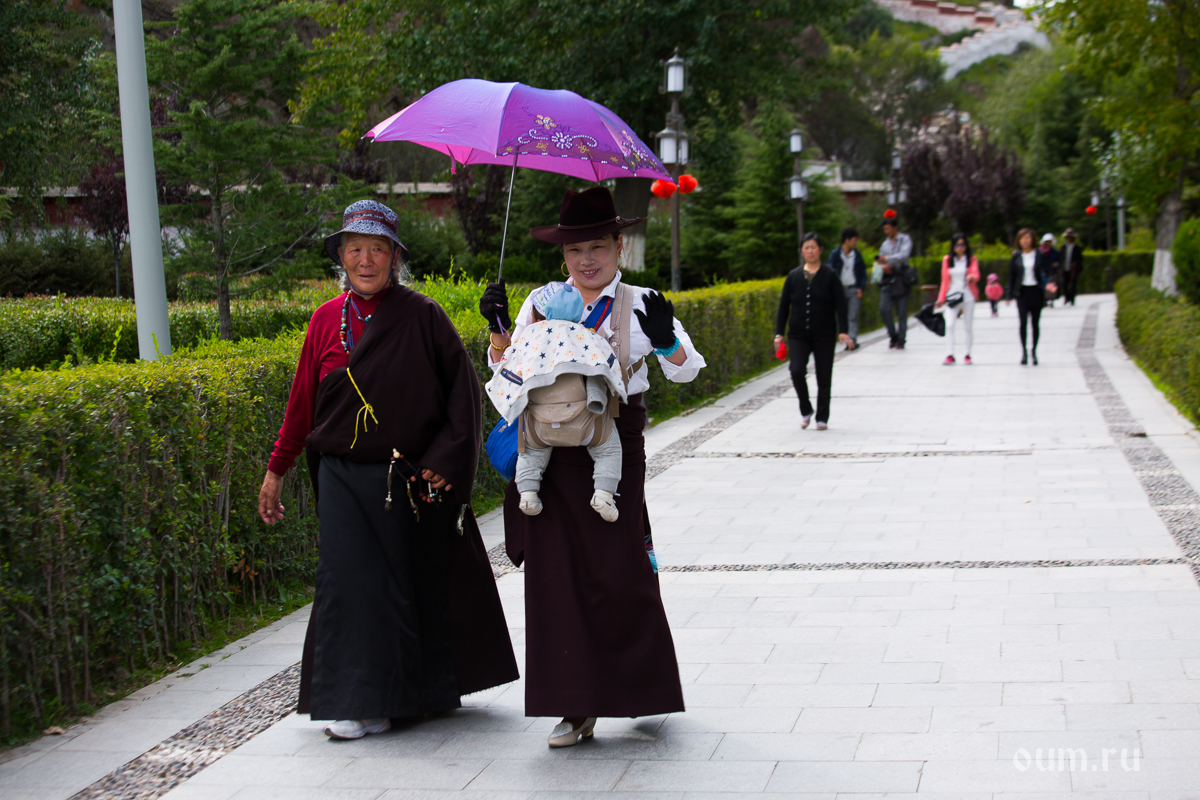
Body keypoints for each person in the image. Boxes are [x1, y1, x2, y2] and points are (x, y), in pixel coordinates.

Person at [258, 200, 518, 740]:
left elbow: (462, 392)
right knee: (349, 583)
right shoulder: (325, 321)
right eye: (354, 248)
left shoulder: (423, 315)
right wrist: (276, 468)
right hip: (341, 476)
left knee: (402, 585)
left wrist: (447, 459)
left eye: (377, 249)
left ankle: (407, 695)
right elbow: (303, 403)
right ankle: (360, 701)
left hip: (404, 480)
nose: (365, 259)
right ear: (341, 257)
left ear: (394, 257)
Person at [478, 187, 706, 748]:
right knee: (554, 576)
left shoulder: (640, 300)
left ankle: (639, 689)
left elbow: (687, 370)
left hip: (614, 449)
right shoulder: (540, 300)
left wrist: (664, 341)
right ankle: (573, 704)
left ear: (618, 246)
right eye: (576, 249)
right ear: (563, 254)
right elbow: (507, 372)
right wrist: (500, 332)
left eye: (598, 246)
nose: (587, 260)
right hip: (549, 451)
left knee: (619, 569)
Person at [484, 281, 625, 522]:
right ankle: (604, 494)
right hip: (588, 425)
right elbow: (609, 368)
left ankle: (527, 494)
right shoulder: (588, 336)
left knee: (529, 452)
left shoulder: (528, 338)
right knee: (609, 449)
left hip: (540, 426)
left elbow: (505, 369)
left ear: (536, 314)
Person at [775, 232, 853, 430]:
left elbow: (841, 305)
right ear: (802, 251)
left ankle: (822, 417)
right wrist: (779, 333)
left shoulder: (830, 275)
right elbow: (784, 306)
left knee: (824, 375)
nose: (810, 251)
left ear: (820, 250)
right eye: (806, 247)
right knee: (796, 371)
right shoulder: (793, 276)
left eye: (813, 247)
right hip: (798, 334)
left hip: (824, 334)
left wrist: (843, 330)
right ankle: (806, 409)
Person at [1007, 227, 1052, 365]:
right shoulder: (1016, 256)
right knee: (1023, 323)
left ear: (1032, 239)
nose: (1025, 240)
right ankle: (1024, 352)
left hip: (1036, 291)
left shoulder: (1039, 254)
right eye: (1022, 238)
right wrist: (1008, 294)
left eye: (1027, 237)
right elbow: (1011, 276)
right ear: (1018, 240)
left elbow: (1048, 271)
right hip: (1022, 293)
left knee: (1035, 323)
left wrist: (1050, 283)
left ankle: (1034, 351)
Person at [936, 233, 980, 365]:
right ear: (953, 246)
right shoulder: (947, 260)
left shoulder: (971, 259)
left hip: (967, 296)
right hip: (952, 296)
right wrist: (941, 298)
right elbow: (944, 281)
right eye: (957, 245)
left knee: (968, 326)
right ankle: (950, 353)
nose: (960, 247)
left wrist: (972, 277)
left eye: (962, 244)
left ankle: (967, 354)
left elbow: (976, 274)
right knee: (949, 324)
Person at [875, 215, 914, 349]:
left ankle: (901, 339)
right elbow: (880, 261)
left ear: (895, 228)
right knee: (883, 308)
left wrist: (887, 259)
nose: (886, 232)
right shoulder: (884, 244)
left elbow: (904, 255)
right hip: (887, 279)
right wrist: (883, 266)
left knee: (901, 312)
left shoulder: (904, 239)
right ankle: (892, 334)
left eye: (888, 228)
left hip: (901, 277)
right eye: (884, 229)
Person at [827, 227, 866, 350]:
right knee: (841, 316)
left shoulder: (857, 255)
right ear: (847, 240)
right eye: (854, 240)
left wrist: (861, 287)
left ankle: (851, 341)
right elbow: (830, 271)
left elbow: (863, 273)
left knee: (852, 316)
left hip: (853, 290)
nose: (855, 243)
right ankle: (843, 339)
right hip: (839, 291)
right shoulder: (835, 254)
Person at [1061, 227, 1085, 305]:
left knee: (1073, 285)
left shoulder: (1077, 248)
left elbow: (1080, 258)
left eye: (1070, 237)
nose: (1069, 239)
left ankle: (1072, 299)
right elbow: (1061, 257)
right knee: (1064, 284)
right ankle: (1066, 298)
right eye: (1068, 237)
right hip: (1065, 268)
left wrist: (1076, 263)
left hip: (1074, 269)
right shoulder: (1063, 247)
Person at [1039, 233, 1062, 307]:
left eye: (1050, 242)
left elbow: (1059, 261)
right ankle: (1043, 300)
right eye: (1047, 242)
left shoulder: (1054, 252)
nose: (1048, 243)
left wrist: (1056, 264)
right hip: (1042, 271)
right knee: (1042, 285)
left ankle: (1050, 299)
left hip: (1052, 271)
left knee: (1051, 285)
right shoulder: (1040, 251)